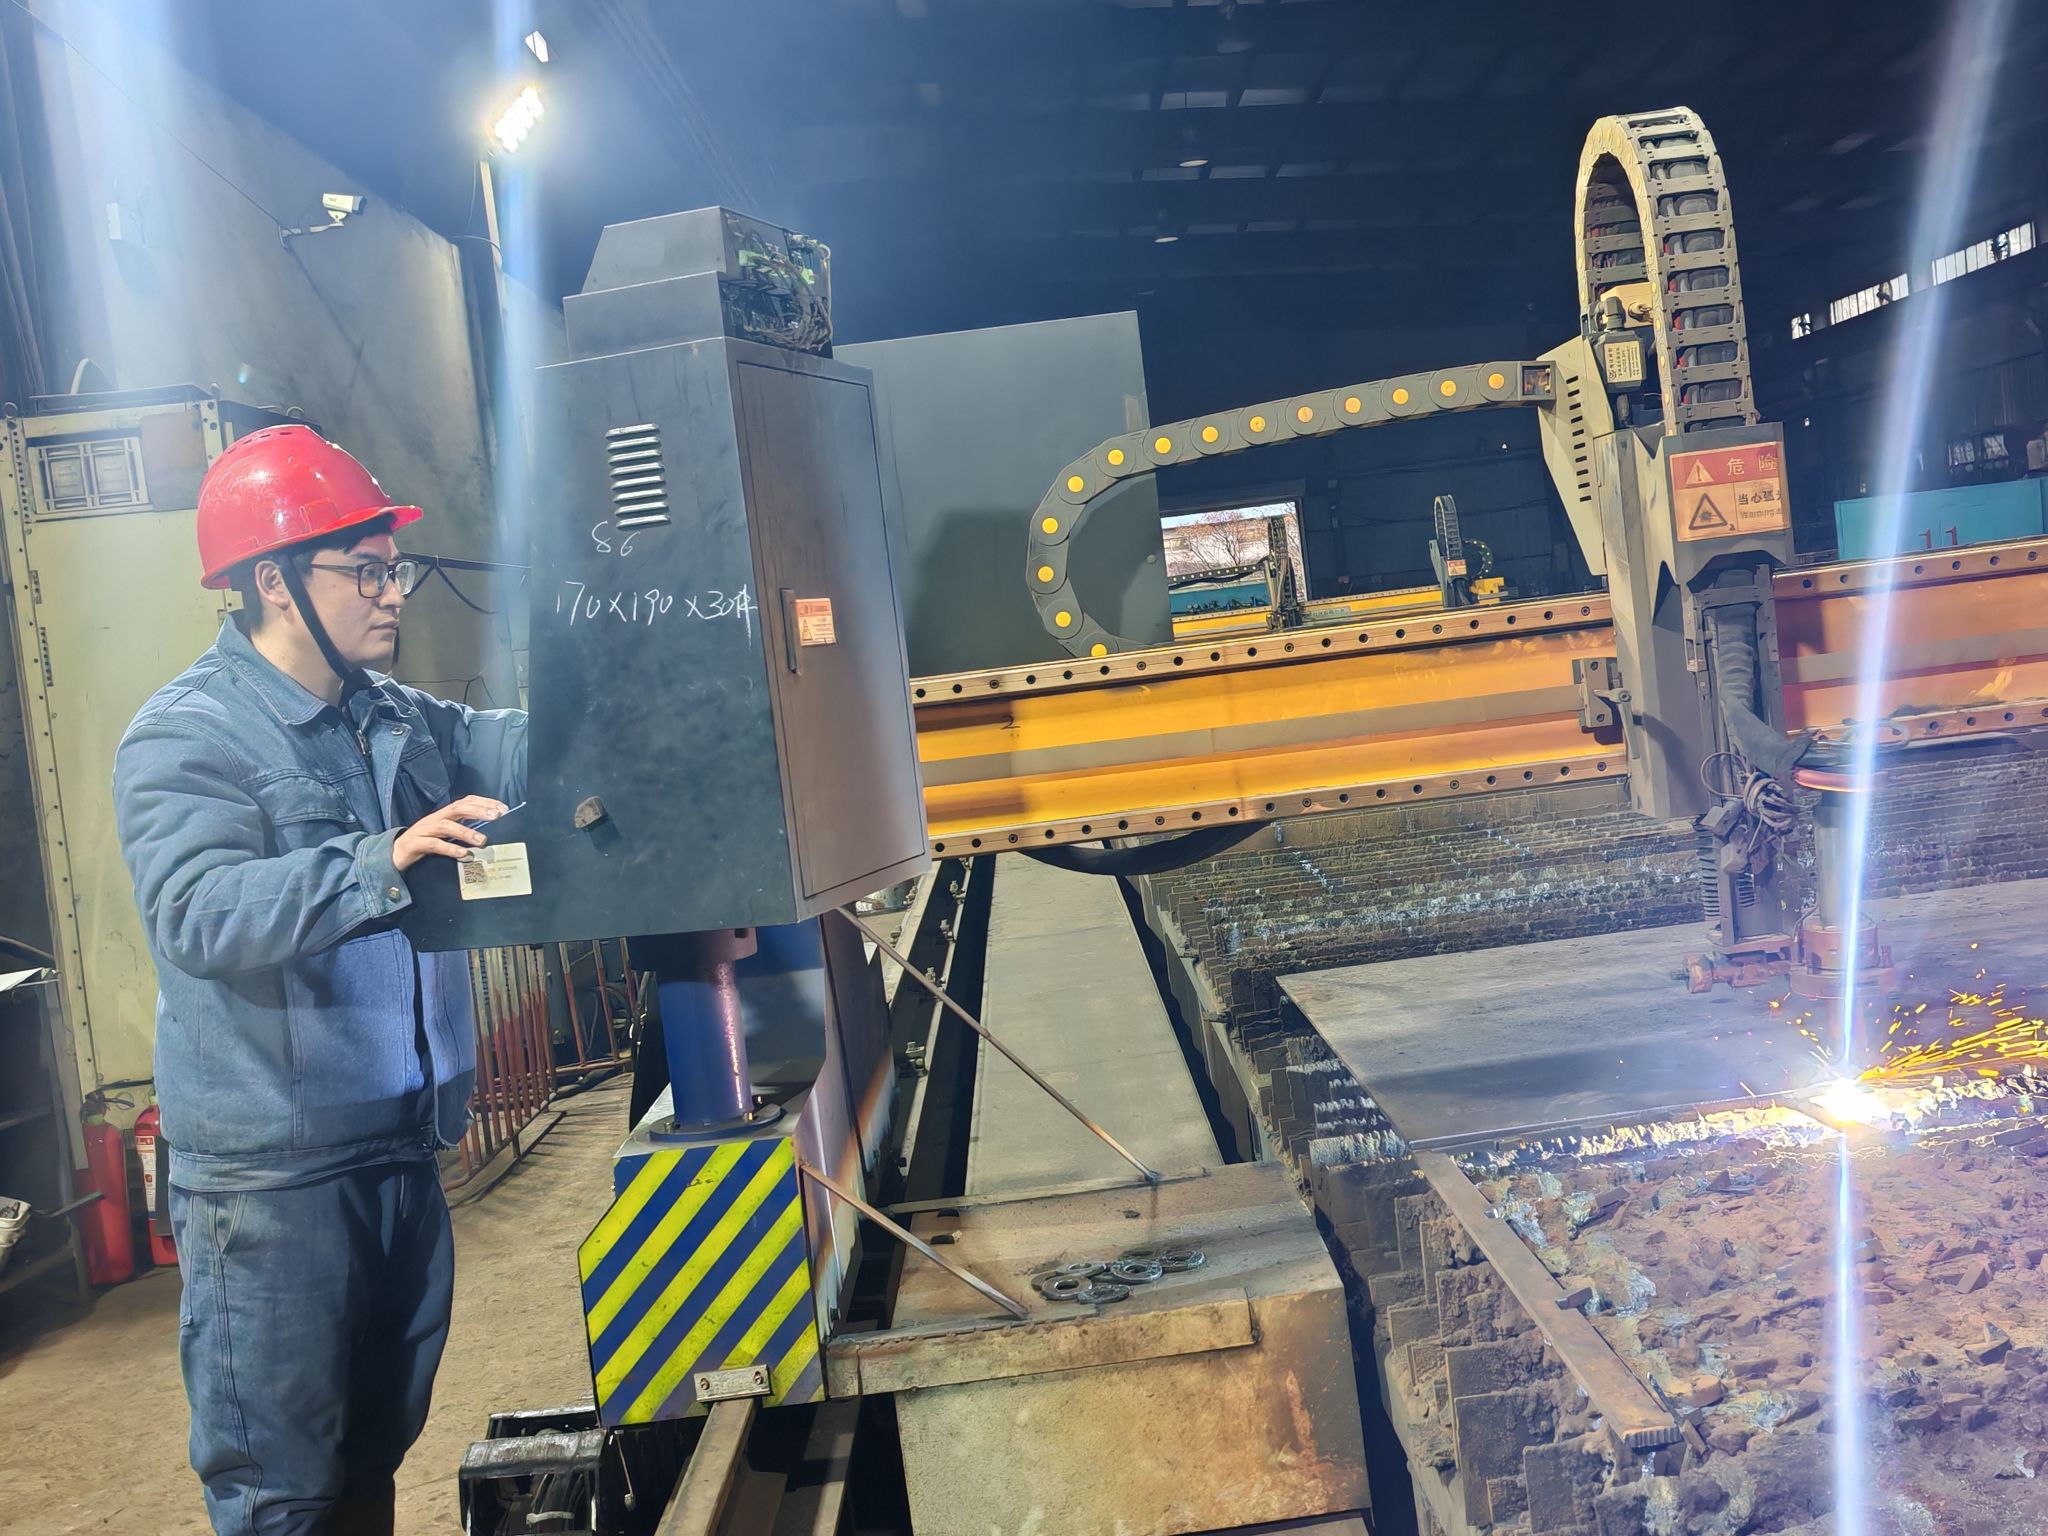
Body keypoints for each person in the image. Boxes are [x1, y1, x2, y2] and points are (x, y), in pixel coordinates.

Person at [112, 425, 527, 1536]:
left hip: (399, 1143)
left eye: (395, 571)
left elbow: (517, 745)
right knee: (282, 1486)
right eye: (367, 572)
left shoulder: (388, 715)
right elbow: (198, 911)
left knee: (370, 1453)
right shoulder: (188, 736)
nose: (392, 596)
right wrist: (379, 860)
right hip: (273, 1181)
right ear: (273, 582)